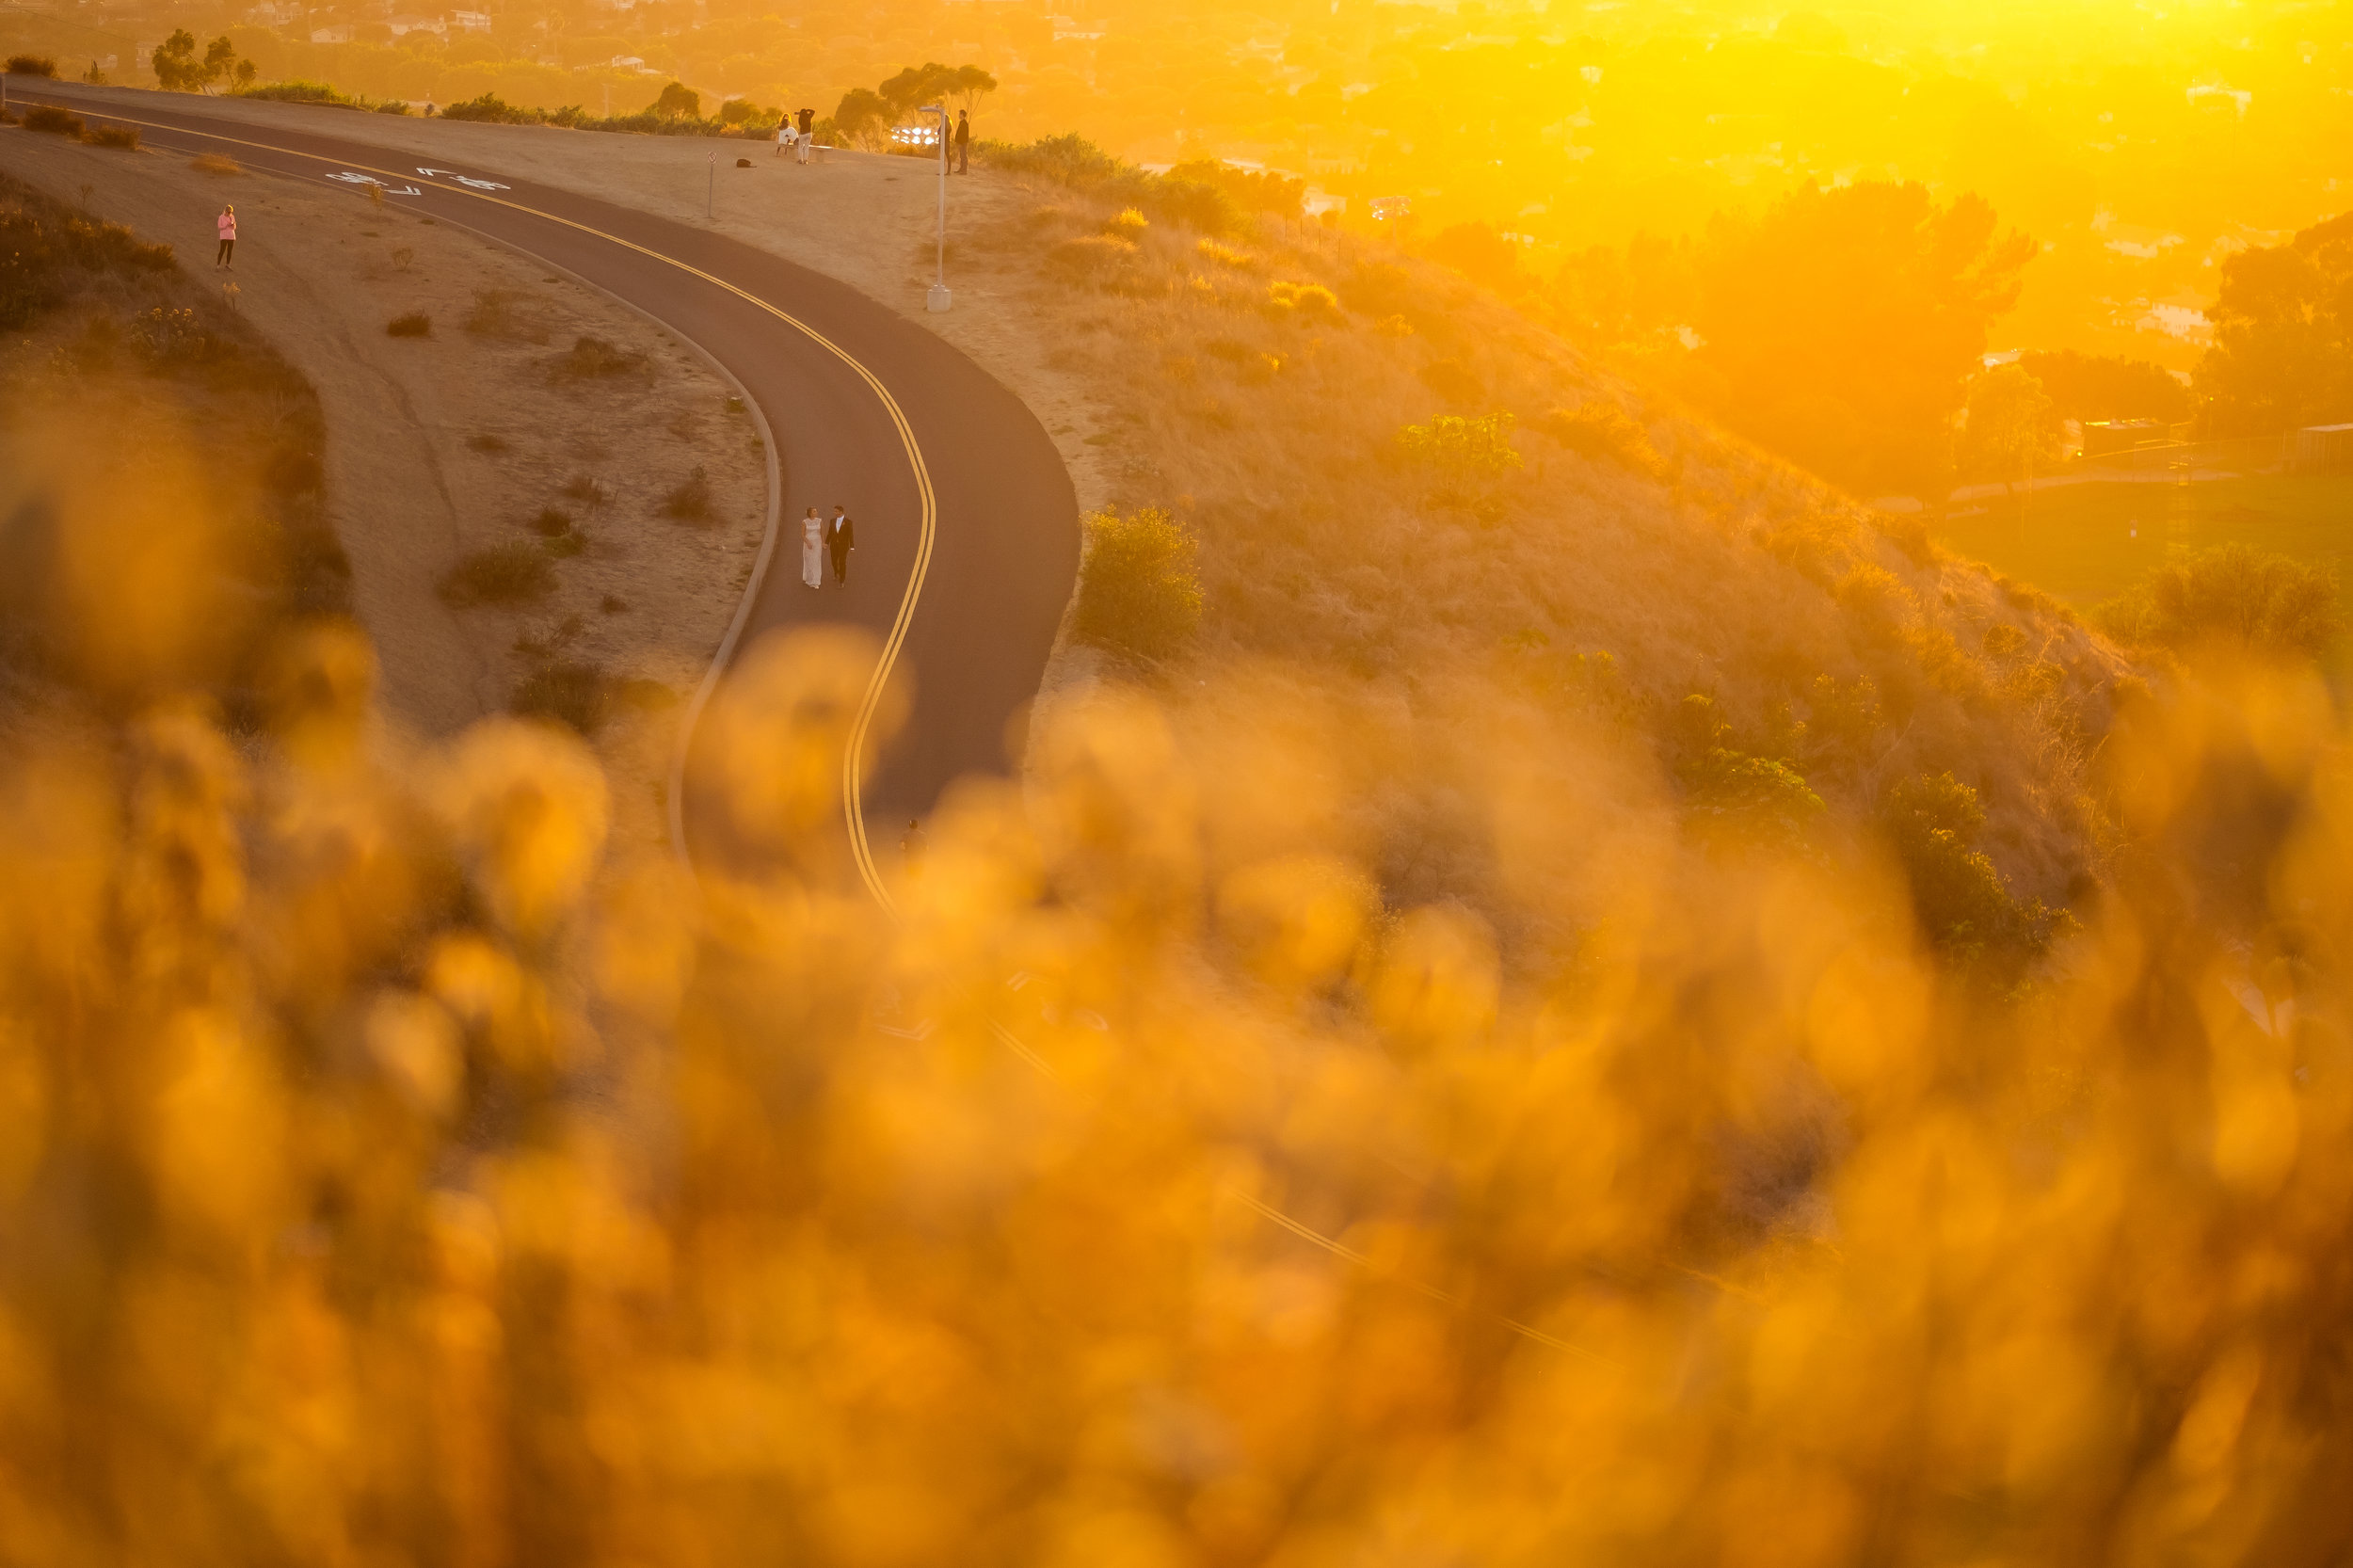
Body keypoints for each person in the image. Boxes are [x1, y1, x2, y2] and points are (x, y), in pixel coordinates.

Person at [826, 505, 855, 584]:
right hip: (834, 545)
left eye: (836, 511)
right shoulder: (832, 521)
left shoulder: (848, 522)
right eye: (834, 511)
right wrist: (826, 543)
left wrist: (852, 547)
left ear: (841, 512)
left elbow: (850, 535)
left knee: (842, 562)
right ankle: (836, 572)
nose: (834, 513)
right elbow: (830, 533)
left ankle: (842, 580)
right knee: (834, 561)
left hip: (843, 546)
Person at [799, 506, 824, 589]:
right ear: (810, 513)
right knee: (809, 560)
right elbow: (802, 534)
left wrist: (823, 543)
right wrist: (807, 542)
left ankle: (815, 581)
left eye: (816, 511)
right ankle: (809, 579)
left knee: (816, 560)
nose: (816, 512)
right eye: (814, 511)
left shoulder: (819, 521)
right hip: (808, 543)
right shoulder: (804, 522)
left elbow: (822, 533)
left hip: (817, 543)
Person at [216, 203, 236, 268]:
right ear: (225, 211)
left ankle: (228, 264)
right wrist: (226, 225)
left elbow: (234, 227)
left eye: (231, 212)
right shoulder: (221, 217)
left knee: (229, 251)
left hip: (231, 236)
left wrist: (233, 225)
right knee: (222, 250)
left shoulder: (232, 217)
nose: (229, 213)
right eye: (228, 212)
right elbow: (219, 227)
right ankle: (218, 265)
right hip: (224, 236)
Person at [953, 109, 970, 175]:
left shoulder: (965, 123)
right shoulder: (961, 122)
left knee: (964, 156)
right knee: (961, 156)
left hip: (963, 142)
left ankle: (964, 170)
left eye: (960, 114)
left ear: (962, 115)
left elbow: (964, 135)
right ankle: (961, 168)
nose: (959, 115)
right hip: (961, 142)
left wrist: (960, 143)